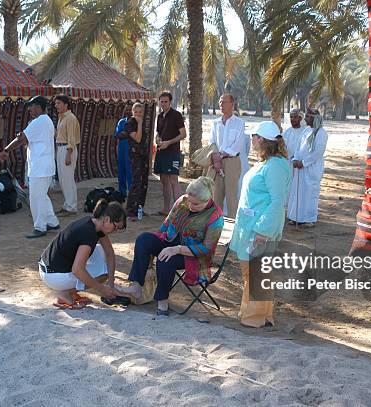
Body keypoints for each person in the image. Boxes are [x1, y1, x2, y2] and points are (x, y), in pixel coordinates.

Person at [118, 177, 224, 316]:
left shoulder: (215, 216)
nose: (190, 205)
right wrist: (156, 245)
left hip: (193, 254)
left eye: (196, 204)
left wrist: (177, 249)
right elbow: (166, 225)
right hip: (171, 240)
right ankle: (136, 285)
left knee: (165, 259)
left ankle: (162, 300)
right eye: (189, 201)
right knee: (144, 240)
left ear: (207, 200)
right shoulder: (183, 201)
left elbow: (206, 249)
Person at [230, 121, 291, 328]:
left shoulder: (276, 166)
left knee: (256, 273)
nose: (252, 139)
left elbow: (277, 201)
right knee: (254, 272)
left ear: (262, 140)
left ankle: (254, 317)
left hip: (259, 229)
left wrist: (263, 231)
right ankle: (261, 316)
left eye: (254, 136)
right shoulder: (265, 163)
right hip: (249, 226)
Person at [38, 200, 125, 309]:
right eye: (115, 227)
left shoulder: (94, 224)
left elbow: (109, 253)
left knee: (102, 257)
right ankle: (66, 293)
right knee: (103, 273)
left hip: (48, 268)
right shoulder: (89, 233)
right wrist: (101, 288)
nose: (115, 231)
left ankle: (71, 291)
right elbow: (77, 270)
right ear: (106, 220)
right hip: (54, 276)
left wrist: (111, 282)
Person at [0, 96, 59, 238]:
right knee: (42, 196)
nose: (29, 109)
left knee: (36, 198)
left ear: (38, 106)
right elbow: (25, 138)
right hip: (44, 166)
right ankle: (52, 221)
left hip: (39, 167)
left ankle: (40, 227)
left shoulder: (39, 121)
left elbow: (22, 138)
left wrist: (6, 150)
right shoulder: (47, 121)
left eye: (31, 106)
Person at [206, 94, 248, 218]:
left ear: (232, 104)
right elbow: (211, 142)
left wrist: (222, 155)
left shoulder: (239, 123)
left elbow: (238, 145)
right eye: (220, 102)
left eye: (224, 102)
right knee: (216, 193)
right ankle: (215, 221)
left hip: (232, 161)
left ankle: (233, 221)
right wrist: (216, 159)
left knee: (231, 194)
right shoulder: (215, 123)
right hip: (217, 162)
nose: (221, 105)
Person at [286, 108, 329, 228]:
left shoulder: (321, 133)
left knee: (310, 194)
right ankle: (296, 218)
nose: (305, 119)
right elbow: (299, 148)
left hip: (311, 169)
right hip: (299, 168)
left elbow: (318, 152)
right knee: (297, 192)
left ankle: (309, 219)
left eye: (308, 117)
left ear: (315, 118)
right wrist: (296, 159)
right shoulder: (306, 131)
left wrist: (304, 163)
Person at [154, 91, 186, 215]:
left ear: (170, 102)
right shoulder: (160, 116)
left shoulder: (176, 115)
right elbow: (158, 133)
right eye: (161, 101)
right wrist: (157, 139)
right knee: (163, 180)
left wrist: (169, 142)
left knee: (173, 179)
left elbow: (183, 134)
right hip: (161, 151)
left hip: (173, 152)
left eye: (165, 101)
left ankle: (178, 210)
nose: (163, 104)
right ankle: (166, 209)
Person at [120, 103, 150, 220]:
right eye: (136, 112)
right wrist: (140, 124)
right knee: (136, 182)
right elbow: (137, 138)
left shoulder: (141, 124)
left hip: (143, 155)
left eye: (140, 112)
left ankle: (139, 207)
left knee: (144, 182)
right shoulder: (130, 124)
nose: (138, 114)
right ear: (132, 112)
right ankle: (130, 210)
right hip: (135, 155)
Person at [54, 95, 81, 216]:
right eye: (56, 103)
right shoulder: (61, 118)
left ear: (66, 105)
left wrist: (68, 154)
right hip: (61, 148)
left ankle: (71, 207)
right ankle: (67, 204)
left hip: (67, 149)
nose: (56, 106)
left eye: (59, 103)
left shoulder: (70, 118)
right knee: (63, 179)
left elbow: (71, 138)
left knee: (68, 179)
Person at [114, 108, 133, 198]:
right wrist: (128, 133)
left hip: (131, 150)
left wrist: (124, 133)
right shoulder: (121, 122)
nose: (128, 112)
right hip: (122, 149)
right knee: (121, 171)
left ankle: (131, 192)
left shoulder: (136, 122)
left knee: (130, 171)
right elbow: (117, 135)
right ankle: (122, 192)